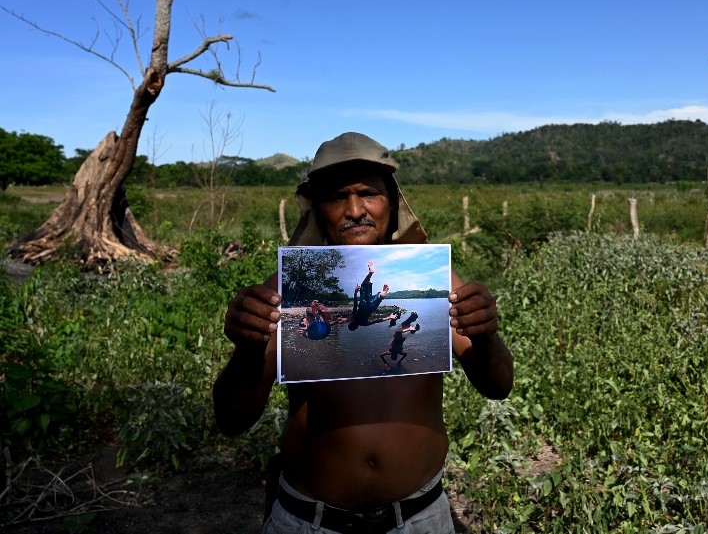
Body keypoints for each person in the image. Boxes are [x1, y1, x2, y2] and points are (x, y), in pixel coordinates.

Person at [213, 132, 514, 534]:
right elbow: (231, 419)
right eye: (337, 197)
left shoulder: (439, 281)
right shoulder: (285, 291)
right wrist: (247, 348)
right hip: (311, 521)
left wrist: (486, 335)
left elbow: (498, 386)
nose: (354, 209)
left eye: (368, 194)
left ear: (391, 202)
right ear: (317, 209)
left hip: (418, 518)